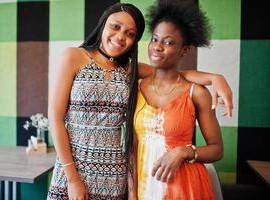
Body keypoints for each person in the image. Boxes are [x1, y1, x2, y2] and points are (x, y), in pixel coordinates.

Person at [47, 2, 230, 200]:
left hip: (114, 173)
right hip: (72, 170)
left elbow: (175, 74)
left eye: (130, 34)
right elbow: (55, 117)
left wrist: (215, 78)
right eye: (115, 26)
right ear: (103, 24)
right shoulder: (74, 56)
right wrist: (72, 179)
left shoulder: (129, 69)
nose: (120, 37)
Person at [133, 0, 224, 199]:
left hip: (183, 187)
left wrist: (183, 152)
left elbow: (217, 150)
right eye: (155, 39)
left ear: (184, 50)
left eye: (168, 42)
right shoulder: (135, 85)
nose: (157, 47)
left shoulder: (196, 93)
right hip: (141, 183)